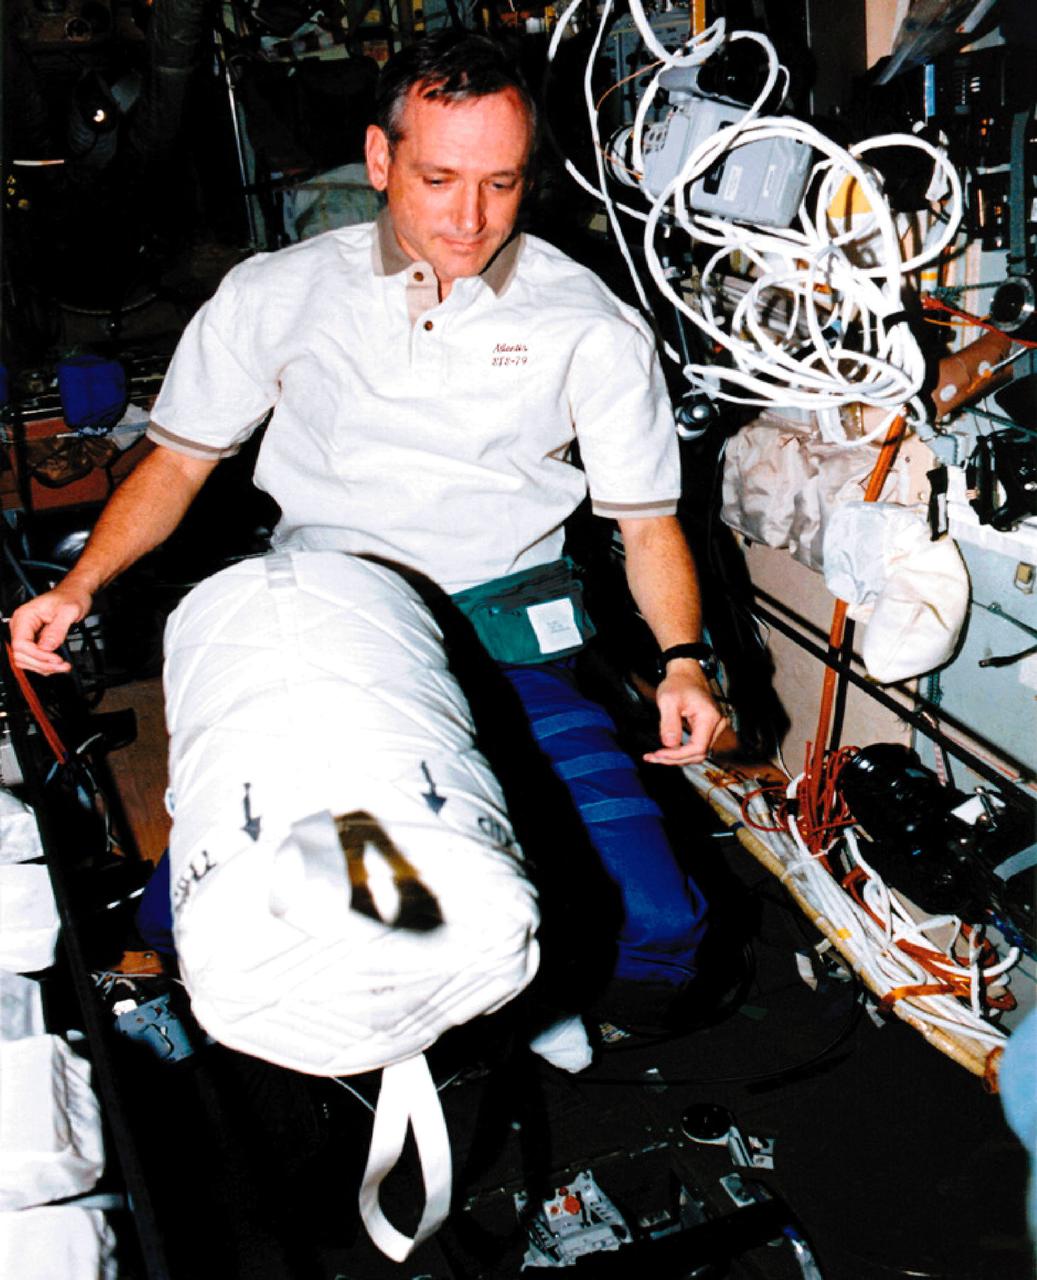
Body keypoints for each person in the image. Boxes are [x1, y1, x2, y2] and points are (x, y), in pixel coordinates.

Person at [10, 31, 727, 1030]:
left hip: (507, 640)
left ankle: (542, 1014)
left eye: (500, 182)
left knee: (656, 917)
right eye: (438, 178)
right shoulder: (278, 292)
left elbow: (645, 524)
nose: (470, 218)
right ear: (380, 159)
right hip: (331, 635)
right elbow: (174, 462)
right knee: (217, 908)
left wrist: (683, 658)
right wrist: (78, 582)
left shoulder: (587, 322)